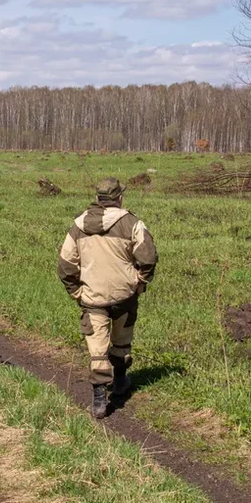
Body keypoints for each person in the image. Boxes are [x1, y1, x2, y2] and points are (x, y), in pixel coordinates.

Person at [57, 177, 157, 419]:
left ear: (98, 198)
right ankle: (121, 381)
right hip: (125, 296)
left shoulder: (77, 226)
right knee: (122, 342)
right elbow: (148, 258)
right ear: (119, 198)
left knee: (97, 351)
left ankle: (100, 401)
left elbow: (65, 265)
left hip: (92, 299)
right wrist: (140, 283)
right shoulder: (132, 223)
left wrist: (76, 292)